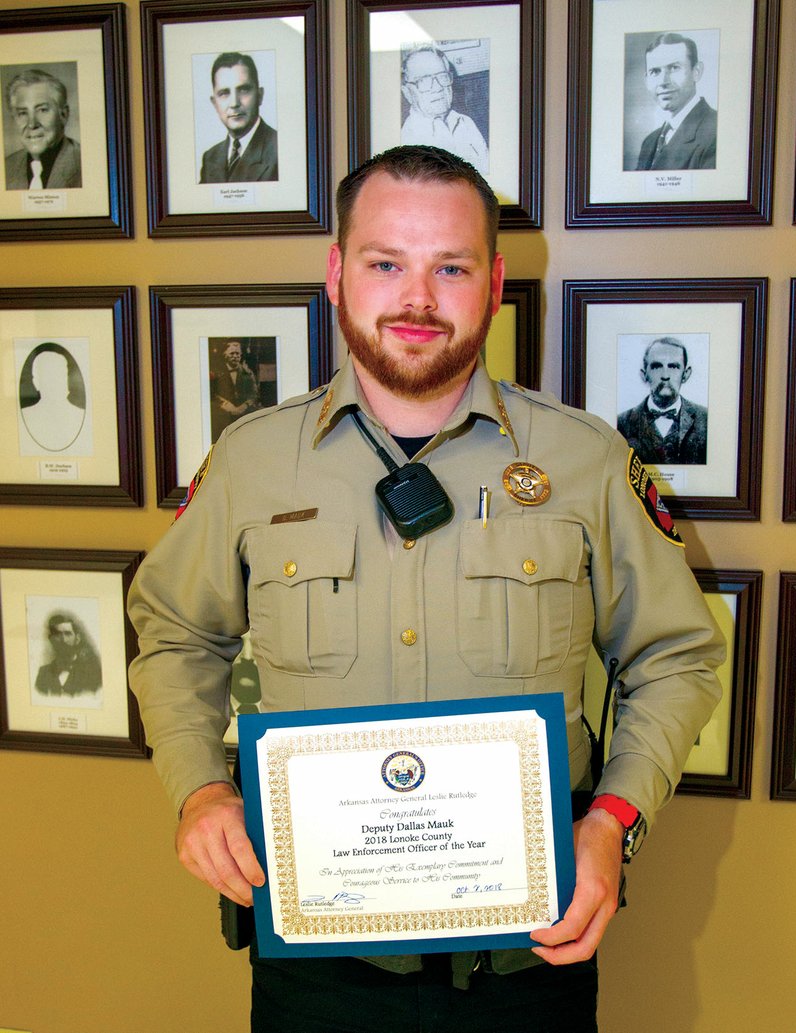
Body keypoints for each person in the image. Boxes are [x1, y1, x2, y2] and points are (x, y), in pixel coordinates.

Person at [128, 145, 723, 1032]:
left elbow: (675, 657)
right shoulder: (252, 463)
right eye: (385, 263)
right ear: (337, 273)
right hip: (319, 964)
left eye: (451, 265)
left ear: (494, 281)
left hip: (527, 958)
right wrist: (198, 788)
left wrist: (611, 822)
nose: (417, 297)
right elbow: (174, 634)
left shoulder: (584, 461)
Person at [617, 336, 708, 465]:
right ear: (644, 375)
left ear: (686, 374)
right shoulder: (621, 424)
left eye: (673, 367)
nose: (665, 375)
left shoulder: (706, 420)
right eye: (656, 366)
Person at [401, 45, 489, 175]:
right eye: (424, 80)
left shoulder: (466, 122)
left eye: (442, 76)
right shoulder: (406, 144)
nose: (437, 87)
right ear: (408, 92)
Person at [635, 32, 717, 171]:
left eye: (674, 68)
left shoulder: (716, 132)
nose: (663, 81)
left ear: (696, 72)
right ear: (647, 80)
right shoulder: (649, 143)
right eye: (655, 71)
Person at [199, 52, 278, 184]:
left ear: (260, 96)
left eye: (243, 90)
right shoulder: (210, 157)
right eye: (224, 93)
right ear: (214, 103)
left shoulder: (280, 151)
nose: (234, 103)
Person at [4, 69, 81, 190]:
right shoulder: (6, 168)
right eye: (23, 113)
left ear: (64, 115)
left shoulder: (85, 164)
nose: (32, 124)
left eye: (42, 110)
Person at [20, 345, 85, 452]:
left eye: (61, 374)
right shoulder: (26, 416)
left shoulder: (79, 415)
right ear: (37, 382)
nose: (57, 381)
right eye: (50, 375)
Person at [35, 613, 101, 696]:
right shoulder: (43, 673)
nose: (63, 640)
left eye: (68, 634)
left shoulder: (92, 672)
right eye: (58, 634)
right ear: (51, 640)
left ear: (77, 639)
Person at [210, 339, 259, 441]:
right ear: (225, 355)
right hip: (223, 413)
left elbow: (254, 394)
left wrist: (244, 406)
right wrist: (224, 404)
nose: (235, 356)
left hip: (243, 412)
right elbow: (211, 393)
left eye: (237, 353)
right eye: (232, 353)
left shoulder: (248, 373)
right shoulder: (216, 372)